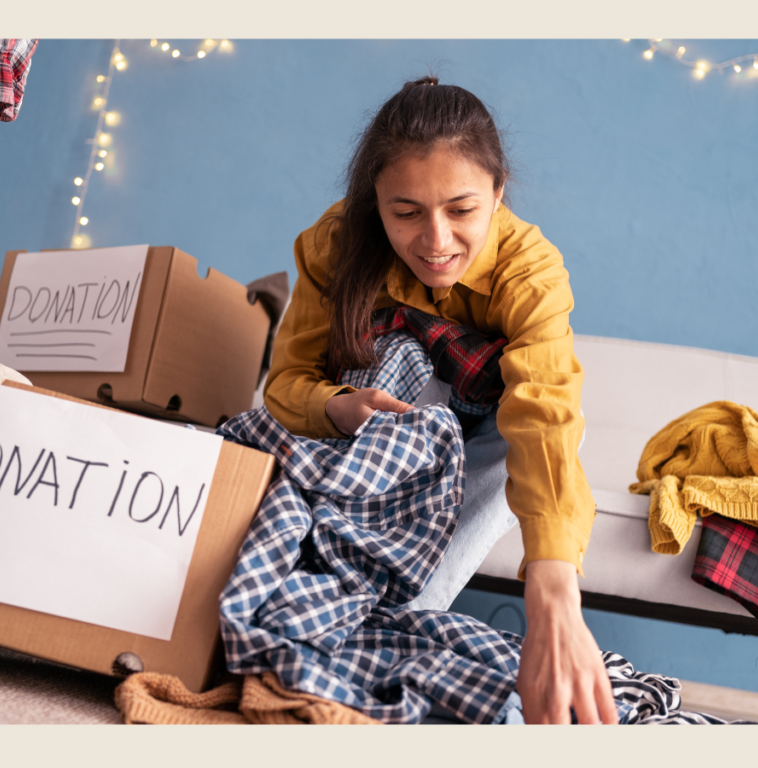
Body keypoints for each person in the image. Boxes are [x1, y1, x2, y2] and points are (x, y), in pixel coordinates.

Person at [263, 76, 618, 725]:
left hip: (473, 447)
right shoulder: (334, 243)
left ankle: (385, 622)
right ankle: (318, 605)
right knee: (408, 360)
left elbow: (546, 419)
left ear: (498, 192)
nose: (435, 241)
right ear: (375, 202)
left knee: (536, 428)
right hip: (350, 450)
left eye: (461, 210)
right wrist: (342, 406)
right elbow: (284, 387)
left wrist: (555, 596)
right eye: (405, 212)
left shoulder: (530, 269)